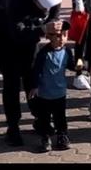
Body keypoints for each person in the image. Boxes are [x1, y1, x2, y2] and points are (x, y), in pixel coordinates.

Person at [0, 0, 63, 147]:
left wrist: (52, 23)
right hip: (3, 39)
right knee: (12, 81)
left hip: (29, 35)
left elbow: (56, 6)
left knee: (33, 76)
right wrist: (43, 29)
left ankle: (40, 118)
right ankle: (13, 127)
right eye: (43, 4)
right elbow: (18, 33)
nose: (45, 8)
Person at [28, 20, 76, 153]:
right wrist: (34, 86)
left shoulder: (67, 51)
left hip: (60, 92)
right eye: (58, 36)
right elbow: (36, 70)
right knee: (44, 118)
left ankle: (62, 136)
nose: (62, 39)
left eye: (65, 35)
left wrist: (79, 66)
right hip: (45, 93)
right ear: (49, 37)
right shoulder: (43, 53)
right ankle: (45, 138)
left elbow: (70, 65)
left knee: (60, 117)